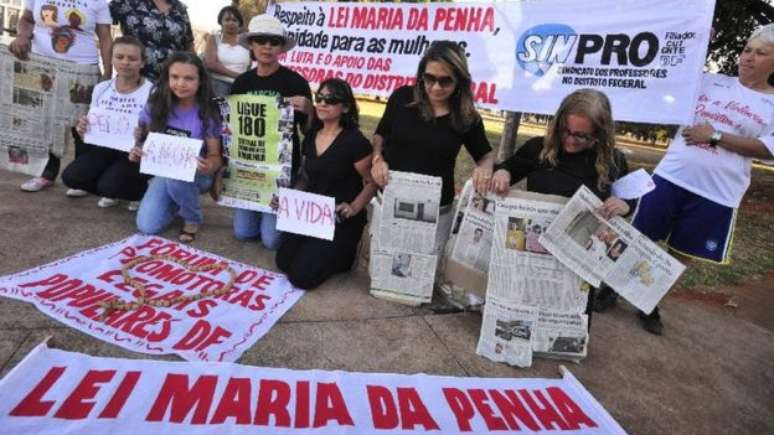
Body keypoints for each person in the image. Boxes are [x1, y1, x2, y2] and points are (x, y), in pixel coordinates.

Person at [596, 24, 774, 335]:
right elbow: (670, 81)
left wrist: (715, 136)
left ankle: (649, 300)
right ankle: (610, 288)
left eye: (761, 53)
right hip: (671, 176)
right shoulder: (710, 81)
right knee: (639, 236)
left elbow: (767, 149)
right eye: (747, 50)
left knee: (681, 253)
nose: (748, 57)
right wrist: (696, 42)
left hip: (718, 193)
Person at [490, 88, 631, 328]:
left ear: (599, 134)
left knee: (562, 327)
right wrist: (502, 172)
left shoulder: (613, 161)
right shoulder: (539, 148)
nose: (570, 139)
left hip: (578, 262)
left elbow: (630, 200)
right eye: (565, 130)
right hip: (531, 255)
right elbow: (509, 168)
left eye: (581, 135)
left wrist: (624, 205)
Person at [371, 41, 495, 254]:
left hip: (436, 210)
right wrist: (377, 159)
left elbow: (486, 155)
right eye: (430, 78)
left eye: (445, 81)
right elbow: (380, 134)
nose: (436, 87)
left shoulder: (466, 117)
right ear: (421, 75)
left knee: (422, 276)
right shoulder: (402, 97)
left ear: (459, 81)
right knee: (384, 273)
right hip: (392, 197)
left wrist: (485, 167)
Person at [275, 78, 376, 289]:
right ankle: (320, 252)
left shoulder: (355, 142)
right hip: (313, 214)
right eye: (319, 98)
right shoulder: (311, 135)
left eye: (330, 100)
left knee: (301, 278)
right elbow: (304, 176)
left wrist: (354, 207)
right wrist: (289, 199)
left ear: (345, 107)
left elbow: (372, 181)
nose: (321, 103)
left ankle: (344, 256)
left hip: (340, 218)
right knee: (283, 261)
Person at [229, 14, 313, 250]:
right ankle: (255, 209)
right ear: (252, 45)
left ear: (281, 48)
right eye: (261, 40)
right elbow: (232, 129)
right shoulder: (242, 83)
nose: (267, 46)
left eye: (274, 41)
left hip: (281, 170)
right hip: (248, 167)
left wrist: (310, 111)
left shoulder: (296, 82)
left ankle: (275, 213)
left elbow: (309, 132)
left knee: (272, 241)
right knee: (243, 233)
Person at [10, 0, 112, 193]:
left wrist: (107, 75)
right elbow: (26, 19)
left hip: (83, 69)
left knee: (80, 124)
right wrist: (22, 35)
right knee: (46, 120)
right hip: (43, 66)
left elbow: (105, 37)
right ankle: (46, 174)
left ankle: (81, 180)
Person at [130, 52, 223, 243]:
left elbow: (215, 156)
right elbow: (142, 139)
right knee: (147, 226)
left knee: (177, 180)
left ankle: (192, 217)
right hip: (164, 172)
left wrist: (209, 166)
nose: (181, 83)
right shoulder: (156, 104)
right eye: (175, 77)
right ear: (167, 78)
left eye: (189, 78)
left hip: (198, 174)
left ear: (200, 81)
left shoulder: (207, 111)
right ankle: (177, 199)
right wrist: (137, 150)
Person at [61, 36, 153, 210]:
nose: (125, 62)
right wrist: (83, 128)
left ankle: (141, 191)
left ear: (142, 63)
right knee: (70, 177)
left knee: (109, 186)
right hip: (106, 147)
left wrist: (144, 134)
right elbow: (92, 124)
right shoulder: (101, 88)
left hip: (135, 152)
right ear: (111, 59)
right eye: (119, 57)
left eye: (132, 58)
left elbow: (157, 131)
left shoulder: (152, 92)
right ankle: (114, 189)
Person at [110, 0, 195, 82]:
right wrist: (108, 70)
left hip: (173, 83)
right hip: (136, 82)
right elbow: (103, 32)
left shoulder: (180, 8)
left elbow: (188, 45)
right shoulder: (124, 2)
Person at [204, 6, 251, 97]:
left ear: (239, 23)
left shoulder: (246, 41)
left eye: (234, 20)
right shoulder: (214, 38)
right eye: (227, 19)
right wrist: (237, 76)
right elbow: (211, 64)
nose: (231, 23)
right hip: (218, 85)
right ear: (221, 22)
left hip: (242, 87)